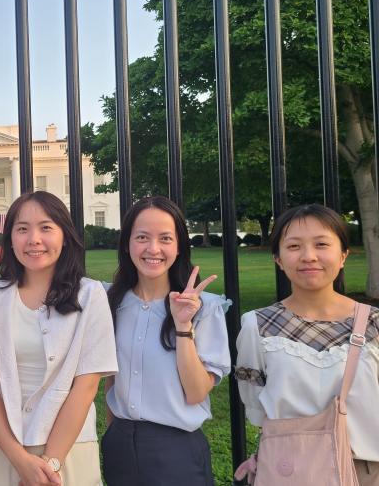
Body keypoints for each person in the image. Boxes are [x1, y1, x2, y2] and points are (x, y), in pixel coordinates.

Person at [0, 190, 117, 486]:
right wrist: (19, 459)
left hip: (68, 451)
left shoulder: (90, 296)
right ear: (11, 238)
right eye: (22, 229)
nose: (34, 240)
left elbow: (86, 385)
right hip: (0, 447)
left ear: (64, 236)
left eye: (46, 228)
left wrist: (49, 464)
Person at [235, 204, 379, 485]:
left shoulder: (374, 324)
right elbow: (254, 405)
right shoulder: (258, 326)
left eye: (322, 244)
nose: (309, 256)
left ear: (343, 255)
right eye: (294, 246)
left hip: (366, 472)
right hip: (289, 470)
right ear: (278, 258)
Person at [102, 195, 231, 486]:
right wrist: (113, 434)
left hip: (176, 451)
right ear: (127, 243)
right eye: (142, 237)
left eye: (165, 238)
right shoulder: (112, 302)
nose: (153, 249)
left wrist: (183, 325)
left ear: (179, 246)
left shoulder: (205, 308)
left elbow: (197, 392)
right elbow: (111, 376)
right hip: (120, 445)